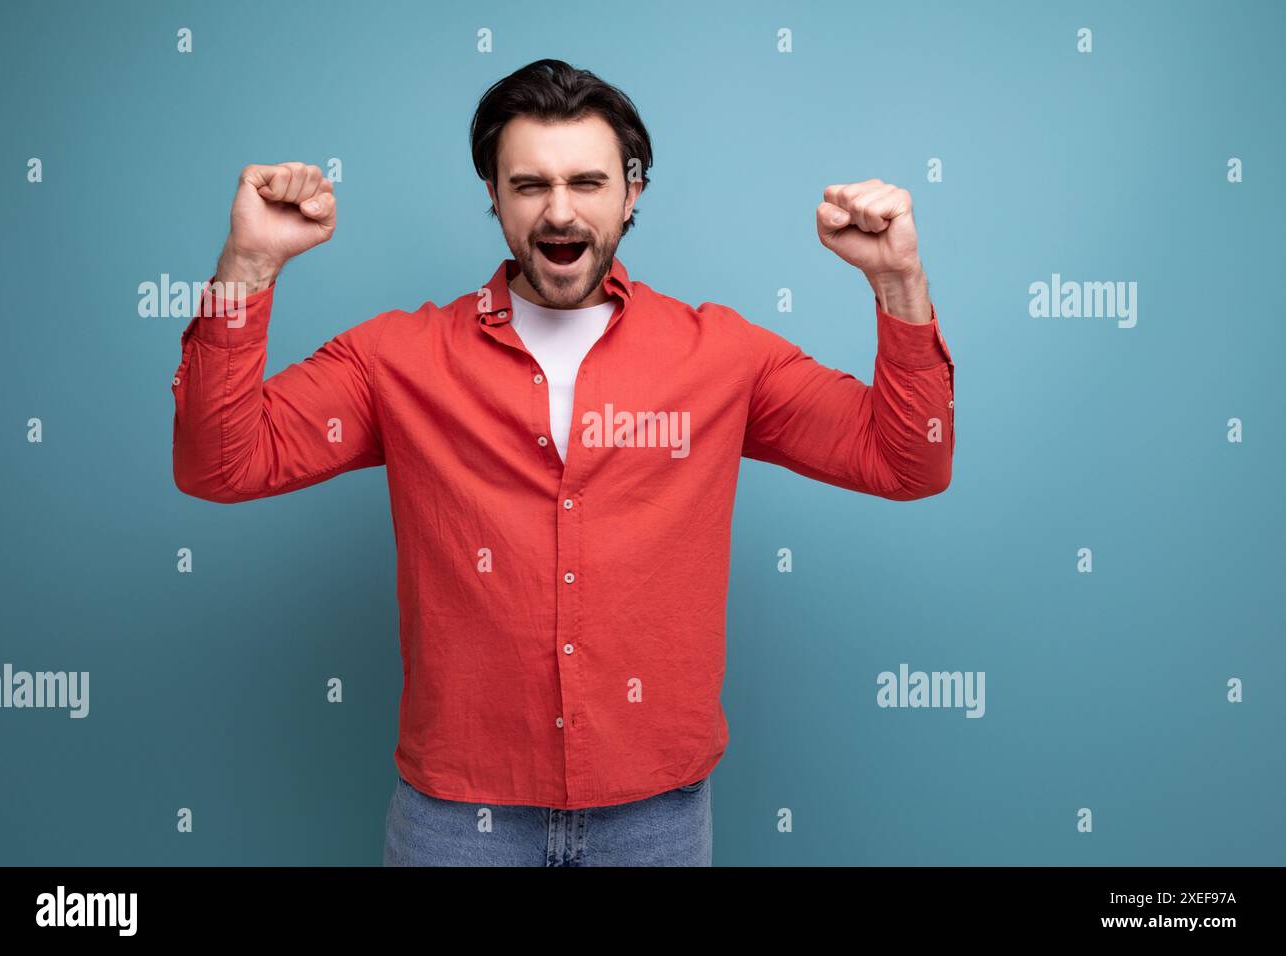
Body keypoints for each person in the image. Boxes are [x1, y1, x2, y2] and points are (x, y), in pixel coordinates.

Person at [171, 59, 956, 867]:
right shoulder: (395, 358)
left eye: (587, 181)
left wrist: (898, 280)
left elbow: (907, 463)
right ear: (494, 193)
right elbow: (220, 463)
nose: (559, 211)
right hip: (458, 815)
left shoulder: (722, 356)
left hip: (655, 811)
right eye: (529, 184)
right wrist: (250, 265)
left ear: (632, 190)